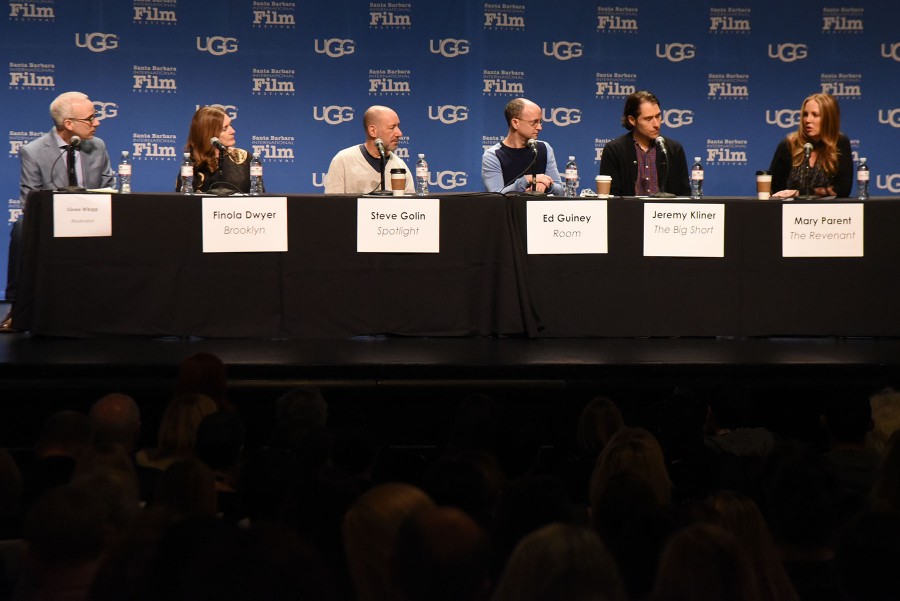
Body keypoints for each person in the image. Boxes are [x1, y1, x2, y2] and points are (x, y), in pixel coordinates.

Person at [2, 91, 114, 333]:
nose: (97, 122)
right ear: (69, 124)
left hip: (94, 217)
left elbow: (109, 186)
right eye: (90, 118)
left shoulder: (98, 146)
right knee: (21, 229)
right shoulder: (33, 151)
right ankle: (17, 306)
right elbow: (30, 201)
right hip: (53, 222)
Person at [598, 90, 691, 197]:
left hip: (664, 214)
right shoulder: (614, 150)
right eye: (648, 119)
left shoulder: (673, 149)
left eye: (658, 116)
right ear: (632, 120)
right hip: (627, 212)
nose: (656, 124)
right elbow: (610, 197)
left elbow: (684, 194)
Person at [769, 93, 852, 198]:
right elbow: (775, 189)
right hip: (790, 211)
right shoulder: (788, 145)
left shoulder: (840, 143)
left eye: (815, 115)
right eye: (805, 114)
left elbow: (843, 189)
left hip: (829, 213)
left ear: (828, 118)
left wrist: (799, 193)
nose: (808, 120)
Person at [323, 105, 414, 194]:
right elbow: (332, 204)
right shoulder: (343, 160)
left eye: (398, 126)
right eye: (392, 127)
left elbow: (410, 205)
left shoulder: (399, 165)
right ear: (372, 131)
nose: (399, 133)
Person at [481, 98, 564, 195]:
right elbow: (496, 196)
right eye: (533, 122)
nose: (539, 127)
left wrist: (546, 185)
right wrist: (528, 179)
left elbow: (561, 192)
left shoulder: (544, 148)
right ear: (515, 123)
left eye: (540, 122)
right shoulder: (493, 156)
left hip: (539, 210)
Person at [177, 105, 261, 194]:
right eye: (225, 128)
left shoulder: (245, 158)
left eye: (230, 125)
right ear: (208, 134)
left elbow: (259, 196)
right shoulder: (191, 165)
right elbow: (183, 201)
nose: (233, 131)